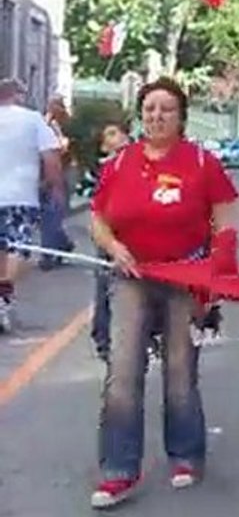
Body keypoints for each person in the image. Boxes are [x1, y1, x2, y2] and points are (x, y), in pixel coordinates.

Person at [88, 77, 239, 509]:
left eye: (166, 109)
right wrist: (114, 248)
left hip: (184, 278)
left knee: (179, 371)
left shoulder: (201, 162)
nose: (156, 116)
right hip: (130, 278)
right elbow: (98, 219)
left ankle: (186, 455)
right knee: (122, 374)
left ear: (181, 117)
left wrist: (218, 273)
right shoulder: (120, 163)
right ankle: (118, 470)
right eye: (150, 109)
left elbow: (225, 216)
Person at [0, 79, 63, 332]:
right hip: (21, 195)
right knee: (19, 248)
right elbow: (51, 157)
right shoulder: (32, 119)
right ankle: (3, 296)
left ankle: (2, 299)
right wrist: (53, 186)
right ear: (16, 95)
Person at [91, 120, 132, 361]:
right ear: (104, 146)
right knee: (104, 286)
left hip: (135, 232)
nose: (118, 137)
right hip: (109, 232)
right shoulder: (102, 169)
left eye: (119, 132)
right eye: (111, 134)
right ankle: (102, 337)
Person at [39, 94, 75, 269]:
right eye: (51, 106)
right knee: (49, 215)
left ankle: (48, 255)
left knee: (53, 213)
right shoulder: (43, 124)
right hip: (45, 172)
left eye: (56, 106)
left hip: (64, 172)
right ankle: (62, 244)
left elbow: (67, 148)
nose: (53, 110)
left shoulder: (68, 125)